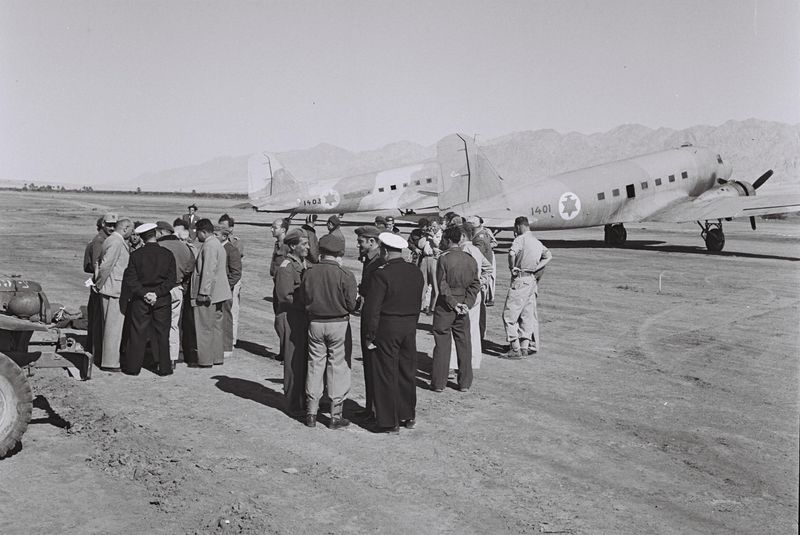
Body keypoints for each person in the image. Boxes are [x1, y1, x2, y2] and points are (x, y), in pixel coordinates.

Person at [362, 232, 424, 433]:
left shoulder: (382, 274)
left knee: (386, 372)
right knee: (407, 371)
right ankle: (408, 415)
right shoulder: (415, 271)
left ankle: (389, 420)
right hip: (409, 326)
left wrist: (370, 336)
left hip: (388, 326)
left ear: (386, 252)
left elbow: (373, 308)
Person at [301, 234, 358, 429]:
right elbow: (351, 304)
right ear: (340, 252)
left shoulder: (309, 272)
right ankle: (335, 415)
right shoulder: (345, 274)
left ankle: (311, 412)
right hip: (338, 323)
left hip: (315, 322)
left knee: (315, 365)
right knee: (337, 366)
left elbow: (303, 298)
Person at [121, 223, 176, 375]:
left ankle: (133, 367)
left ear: (142, 238)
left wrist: (145, 293)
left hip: (141, 300)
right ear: (156, 234)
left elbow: (131, 280)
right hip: (162, 299)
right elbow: (171, 280)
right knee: (162, 334)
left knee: (137, 333)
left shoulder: (136, 255)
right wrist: (157, 293)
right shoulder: (167, 254)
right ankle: (164, 368)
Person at [430, 226, 480, 392]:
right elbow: (475, 284)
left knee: (442, 343)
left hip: (446, 305)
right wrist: (467, 303)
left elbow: (442, 286)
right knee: (464, 343)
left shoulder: (444, 259)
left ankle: (439, 383)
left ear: (448, 240)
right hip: (463, 305)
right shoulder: (470, 259)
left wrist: (454, 303)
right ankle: (465, 383)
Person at [501, 216, 552, 359]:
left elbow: (511, 253)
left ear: (518, 227)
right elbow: (548, 256)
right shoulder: (536, 241)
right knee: (527, 314)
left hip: (520, 279)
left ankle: (515, 348)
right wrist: (537, 267)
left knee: (509, 315)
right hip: (532, 280)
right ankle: (524, 346)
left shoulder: (520, 239)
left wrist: (512, 267)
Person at [274, 229, 309, 415]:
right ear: (293, 246)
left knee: (301, 360)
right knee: (292, 361)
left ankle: (301, 398)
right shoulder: (286, 266)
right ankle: (293, 402)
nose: (308, 247)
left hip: (300, 317)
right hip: (290, 317)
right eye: (304, 244)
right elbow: (285, 297)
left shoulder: (301, 263)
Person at [189, 218, 231, 367]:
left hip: (209, 295)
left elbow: (208, 270)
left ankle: (206, 360)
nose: (197, 236)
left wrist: (204, 292)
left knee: (204, 327)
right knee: (216, 327)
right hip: (219, 293)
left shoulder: (210, 245)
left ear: (203, 232)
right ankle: (216, 357)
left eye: (198, 233)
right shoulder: (216, 244)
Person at [449, 226, 492, 371]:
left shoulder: (463, 251)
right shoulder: (476, 250)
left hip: (464, 294)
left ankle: (454, 363)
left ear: (462, 236)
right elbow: (488, 267)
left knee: (457, 328)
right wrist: (481, 283)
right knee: (473, 329)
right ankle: (473, 361)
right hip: (476, 293)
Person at [354, 225, 385, 419]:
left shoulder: (379, 263)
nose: (359, 245)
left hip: (374, 320)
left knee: (374, 364)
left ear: (372, 242)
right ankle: (369, 406)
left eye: (361, 242)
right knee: (368, 364)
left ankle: (375, 409)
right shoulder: (370, 260)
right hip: (367, 316)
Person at [95, 217, 133, 371]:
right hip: (114, 289)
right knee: (113, 328)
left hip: (110, 288)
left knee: (110, 327)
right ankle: (110, 362)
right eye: (131, 229)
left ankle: (107, 359)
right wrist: (99, 284)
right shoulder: (117, 242)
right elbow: (106, 266)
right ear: (125, 228)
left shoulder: (111, 240)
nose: (132, 233)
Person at [156, 220, 195, 365]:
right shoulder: (184, 247)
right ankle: (172, 357)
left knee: (159, 324)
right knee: (174, 324)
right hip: (178, 288)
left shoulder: (159, 246)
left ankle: (161, 357)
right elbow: (190, 268)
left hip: (161, 290)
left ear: (160, 232)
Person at [83, 215, 110, 359]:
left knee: (96, 316)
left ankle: (92, 347)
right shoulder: (100, 241)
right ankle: (96, 351)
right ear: (103, 225)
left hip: (97, 283)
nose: (112, 228)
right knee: (98, 317)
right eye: (109, 225)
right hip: (99, 284)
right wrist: (99, 284)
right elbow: (97, 266)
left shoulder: (100, 239)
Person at [217, 224, 242, 359]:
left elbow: (236, 273)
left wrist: (226, 287)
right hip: (216, 290)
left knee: (226, 316)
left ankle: (227, 346)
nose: (214, 237)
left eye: (217, 235)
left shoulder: (231, 250)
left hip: (226, 290)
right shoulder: (217, 248)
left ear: (225, 236)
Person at [469, 216, 497, 307]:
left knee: (481, 292)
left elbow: (478, 256)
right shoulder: (481, 235)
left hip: (482, 268)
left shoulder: (479, 238)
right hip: (485, 266)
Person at [418, 217, 442, 314]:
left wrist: (433, 237)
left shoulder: (441, 234)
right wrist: (425, 236)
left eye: (435, 226)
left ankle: (432, 306)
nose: (433, 228)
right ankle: (422, 305)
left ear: (439, 226)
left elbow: (439, 245)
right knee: (423, 283)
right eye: (431, 226)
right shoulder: (427, 235)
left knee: (434, 284)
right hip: (425, 258)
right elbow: (420, 245)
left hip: (434, 259)